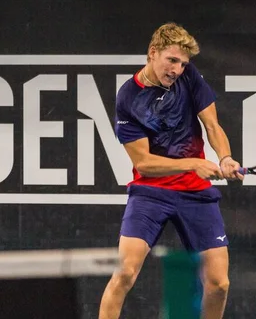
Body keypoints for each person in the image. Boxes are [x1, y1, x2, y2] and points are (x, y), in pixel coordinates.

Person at [98, 22, 243, 319]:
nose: (177, 69)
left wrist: (225, 157)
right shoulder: (128, 97)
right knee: (124, 273)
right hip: (151, 193)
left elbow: (212, 125)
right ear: (153, 53)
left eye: (183, 63)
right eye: (172, 60)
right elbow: (145, 164)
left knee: (219, 284)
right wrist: (194, 163)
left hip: (195, 194)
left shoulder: (189, 78)